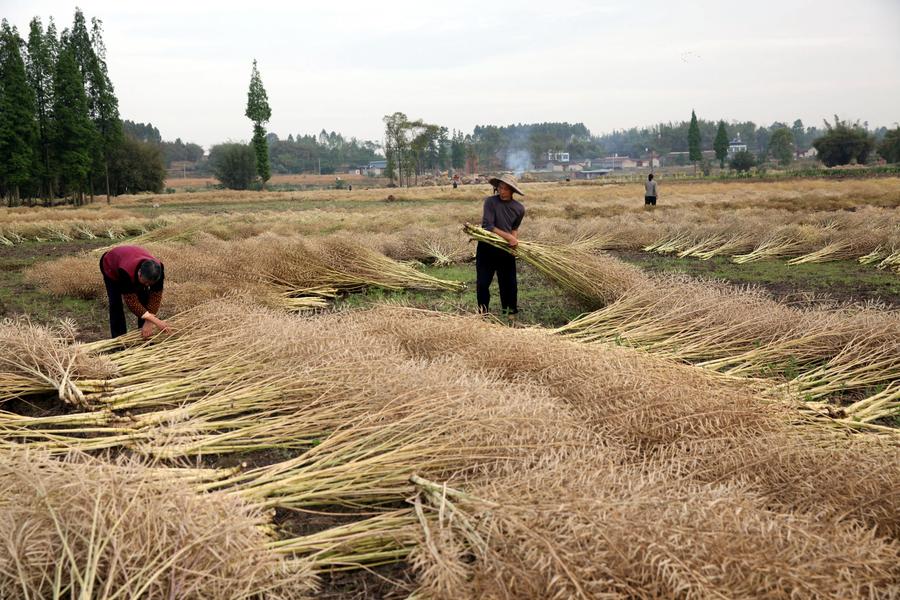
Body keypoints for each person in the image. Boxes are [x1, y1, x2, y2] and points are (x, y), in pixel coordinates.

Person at [477, 174, 525, 318]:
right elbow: (488, 226)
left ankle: (510, 313)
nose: (502, 191)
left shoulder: (519, 208)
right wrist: (508, 237)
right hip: (487, 248)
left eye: (505, 189)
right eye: (500, 188)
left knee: (509, 284)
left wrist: (513, 242)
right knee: (483, 283)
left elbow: (514, 228)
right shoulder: (490, 202)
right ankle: (483, 313)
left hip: (505, 251)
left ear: (512, 191)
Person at [99, 245, 170, 339]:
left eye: (150, 284)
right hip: (111, 265)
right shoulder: (125, 271)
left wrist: (148, 323)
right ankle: (119, 340)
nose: (147, 286)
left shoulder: (158, 271)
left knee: (145, 298)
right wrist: (156, 321)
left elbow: (155, 297)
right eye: (145, 282)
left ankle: (144, 336)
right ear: (139, 273)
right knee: (116, 304)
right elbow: (131, 302)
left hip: (131, 257)